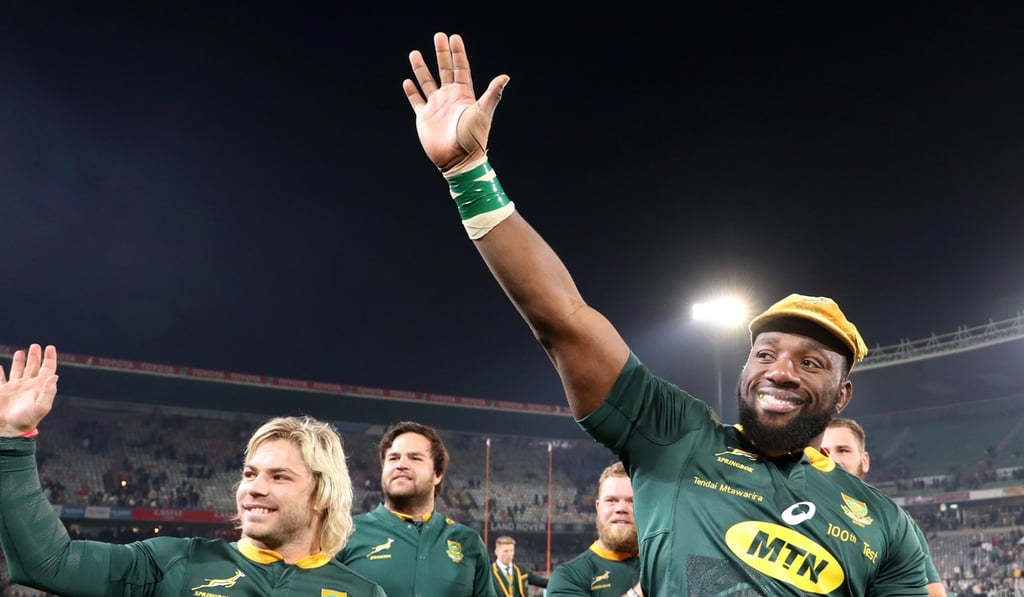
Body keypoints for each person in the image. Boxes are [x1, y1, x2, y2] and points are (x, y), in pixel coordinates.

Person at [402, 32, 932, 595]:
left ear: (843, 394)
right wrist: (468, 174)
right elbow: (566, 322)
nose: (781, 371)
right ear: (748, 366)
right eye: (767, 353)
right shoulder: (676, 436)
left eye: (812, 363)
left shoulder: (887, 527)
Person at [0, 343, 385, 596]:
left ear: (322, 493)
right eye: (250, 474)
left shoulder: (364, 593)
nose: (253, 487)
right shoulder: (174, 563)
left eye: (279, 476)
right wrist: (12, 441)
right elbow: (50, 562)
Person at [338, 420, 496, 596]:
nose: (401, 464)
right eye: (393, 458)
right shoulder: (344, 533)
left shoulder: (468, 541)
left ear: (437, 475)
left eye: (415, 458)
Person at [822, 418, 948, 597]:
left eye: (843, 450)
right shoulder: (789, 506)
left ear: (864, 460)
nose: (833, 458)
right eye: (823, 451)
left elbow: (934, 594)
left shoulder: (895, 522)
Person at [546, 462, 640, 597]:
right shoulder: (569, 576)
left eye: (632, 501)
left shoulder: (667, 565)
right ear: (598, 507)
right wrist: (637, 593)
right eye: (611, 500)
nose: (621, 508)